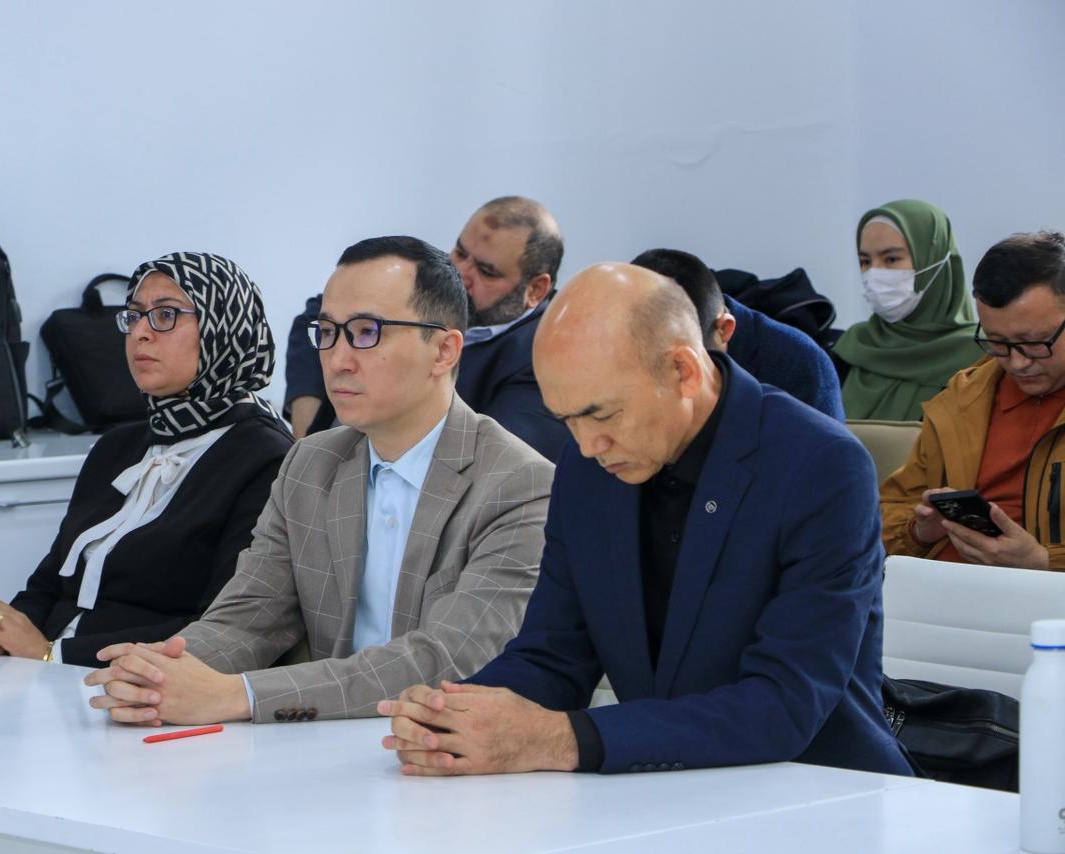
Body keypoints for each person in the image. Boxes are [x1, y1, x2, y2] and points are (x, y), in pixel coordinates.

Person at [379, 262, 911, 777]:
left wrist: (559, 739)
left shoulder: (820, 465)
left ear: (682, 371)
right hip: (661, 791)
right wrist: (453, 716)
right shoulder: (587, 466)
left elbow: (783, 704)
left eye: (601, 414)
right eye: (566, 420)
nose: (587, 445)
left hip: (823, 788)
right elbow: (554, 654)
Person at [83, 236, 553, 725]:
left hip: (448, 749)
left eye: (367, 332)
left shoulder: (520, 484)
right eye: (327, 332)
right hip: (321, 739)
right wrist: (157, 673)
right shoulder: (311, 462)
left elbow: (445, 659)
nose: (337, 359)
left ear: (443, 350)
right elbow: (249, 617)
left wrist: (240, 695)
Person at [0, 252, 292, 667]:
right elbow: (50, 583)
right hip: (50, 677)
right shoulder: (118, 446)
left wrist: (51, 654)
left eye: (165, 315)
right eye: (133, 315)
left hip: (146, 685)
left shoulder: (266, 459)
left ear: (224, 328)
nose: (140, 333)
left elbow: (222, 630)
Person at [284, 196, 571, 460]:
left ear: (535, 289)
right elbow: (317, 313)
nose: (462, 274)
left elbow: (491, 457)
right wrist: (310, 436)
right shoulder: (431, 283)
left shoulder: (547, 359)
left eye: (486, 272)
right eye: (460, 252)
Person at [880, 231, 1065, 571]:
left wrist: (1042, 563)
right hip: (944, 585)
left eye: (1035, 342)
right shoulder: (962, 400)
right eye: (997, 342)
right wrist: (918, 531)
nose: (1018, 363)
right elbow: (883, 514)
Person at [633, 248, 844, 420]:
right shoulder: (620, 340)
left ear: (724, 329)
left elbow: (827, 456)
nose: (680, 380)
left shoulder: (800, 365)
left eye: (682, 364)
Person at [833, 199, 984, 421]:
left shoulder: (983, 357)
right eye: (865, 261)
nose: (874, 272)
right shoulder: (851, 348)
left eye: (891, 259)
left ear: (935, 259)